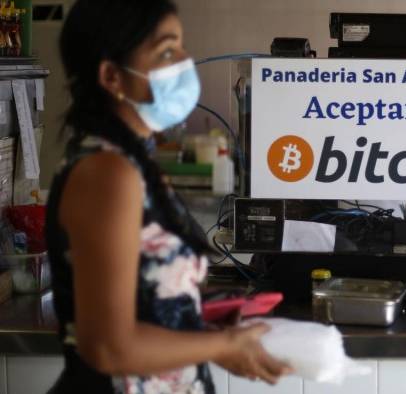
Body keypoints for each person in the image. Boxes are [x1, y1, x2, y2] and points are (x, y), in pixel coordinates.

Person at [45, 0, 291, 392]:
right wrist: (222, 344)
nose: (184, 62)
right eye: (166, 51)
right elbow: (109, 347)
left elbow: (146, 302)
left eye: (181, 46)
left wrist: (202, 325)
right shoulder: (108, 174)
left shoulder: (136, 162)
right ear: (111, 76)